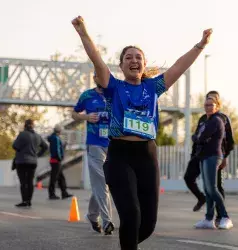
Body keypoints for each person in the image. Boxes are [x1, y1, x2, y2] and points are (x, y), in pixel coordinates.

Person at [72, 15, 212, 250]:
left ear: (144, 64)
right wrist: (83, 32)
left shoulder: (153, 87)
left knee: (147, 224)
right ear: (121, 65)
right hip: (119, 156)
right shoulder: (113, 87)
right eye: (128, 57)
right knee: (131, 214)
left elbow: (179, 66)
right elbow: (96, 59)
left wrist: (200, 45)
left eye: (138, 57)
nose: (134, 60)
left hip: (147, 155)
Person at [72, 73, 114, 235]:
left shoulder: (115, 94)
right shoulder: (87, 95)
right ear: (95, 78)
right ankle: (107, 221)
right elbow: (74, 113)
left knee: (103, 183)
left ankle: (91, 215)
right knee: (102, 182)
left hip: (112, 143)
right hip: (94, 143)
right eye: (99, 75)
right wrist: (86, 117)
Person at [184, 91, 234, 224]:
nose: (208, 106)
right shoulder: (204, 119)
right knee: (204, 186)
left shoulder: (220, 119)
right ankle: (208, 216)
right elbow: (197, 138)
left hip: (215, 155)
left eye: (211, 103)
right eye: (206, 103)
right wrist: (195, 150)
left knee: (214, 187)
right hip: (201, 155)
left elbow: (201, 137)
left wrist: (225, 156)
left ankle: (223, 216)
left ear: (217, 105)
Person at [13, 119, 48, 207]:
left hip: (21, 162)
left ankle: (24, 201)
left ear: (25, 125)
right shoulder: (37, 136)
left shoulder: (22, 134)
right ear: (33, 126)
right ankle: (29, 201)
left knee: (23, 182)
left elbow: (15, 146)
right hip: (33, 162)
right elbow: (45, 146)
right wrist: (38, 155)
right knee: (30, 181)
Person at [47, 124, 73, 200]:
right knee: (54, 178)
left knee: (61, 177)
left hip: (54, 160)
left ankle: (64, 193)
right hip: (56, 160)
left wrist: (63, 146)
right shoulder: (56, 138)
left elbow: (58, 148)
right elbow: (57, 150)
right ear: (59, 131)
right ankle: (52, 194)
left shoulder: (54, 137)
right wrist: (60, 157)